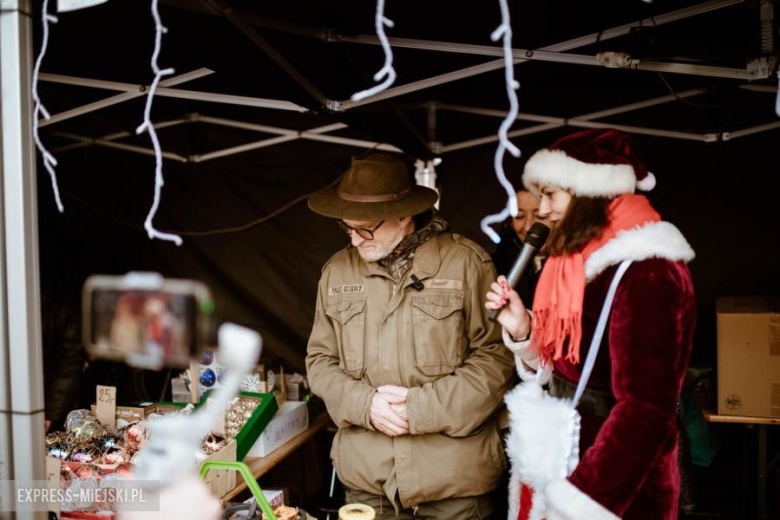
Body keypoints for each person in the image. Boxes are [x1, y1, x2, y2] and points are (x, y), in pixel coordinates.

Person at [486, 129, 696, 520]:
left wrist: (581, 500)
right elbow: (573, 366)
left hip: (613, 488)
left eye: (551, 195)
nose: (542, 209)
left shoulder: (649, 269)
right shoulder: (577, 262)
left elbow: (645, 412)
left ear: (588, 194)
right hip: (567, 452)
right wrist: (524, 330)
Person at [306, 153, 515, 519]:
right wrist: (363, 405)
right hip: (368, 481)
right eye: (347, 228)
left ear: (404, 216)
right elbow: (320, 361)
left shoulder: (466, 263)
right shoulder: (336, 272)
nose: (355, 240)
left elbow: (496, 358)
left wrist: (421, 409)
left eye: (366, 228)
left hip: (454, 483)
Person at [491, 189, 553, 308]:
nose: (528, 227)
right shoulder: (495, 266)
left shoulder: (580, 266)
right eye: (519, 216)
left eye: (540, 216)